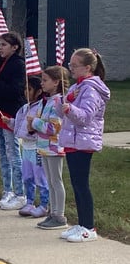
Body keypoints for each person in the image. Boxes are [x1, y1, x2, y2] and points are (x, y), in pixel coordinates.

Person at [57, 49, 110, 243]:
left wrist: (70, 108)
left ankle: (89, 227)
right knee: (76, 184)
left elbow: (86, 117)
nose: (70, 68)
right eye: (70, 65)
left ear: (87, 68)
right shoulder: (75, 88)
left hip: (83, 141)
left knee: (82, 185)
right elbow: (63, 112)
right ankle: (81, 224)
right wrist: (63, 102)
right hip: (73, 141)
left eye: (74, 65)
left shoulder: (92, 89)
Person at [0, 32, 27, 210]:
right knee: (2, 154)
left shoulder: (18, 65)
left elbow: (15, 91)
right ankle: (7, 190)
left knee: (13, 154)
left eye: (3, 45)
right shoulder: (0, 63)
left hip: (9, 114)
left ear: (15, 47)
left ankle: (20, 193)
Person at [29, 66, 69, 229]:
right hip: (44, 146)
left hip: (54, 147)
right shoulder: (46, 101)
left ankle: (59, 215)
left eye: (45, 80)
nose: (42, 83)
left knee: (56, 180)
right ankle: (53, 212)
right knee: (50, 181)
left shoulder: (59, 101)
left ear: (56, 82)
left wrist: (35, 122)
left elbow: (54, 127)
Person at [3, 75, 49, 217]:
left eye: (29, 89)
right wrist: (9, 122)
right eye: (25, 89)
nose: (25, 92)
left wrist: (33, 124)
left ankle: (44, 204)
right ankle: (29, 202)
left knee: (40, 177)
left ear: (39, 91)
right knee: (27, 176)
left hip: (37, 147)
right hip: (26, 147)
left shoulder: (42, 107)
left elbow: (41, 126)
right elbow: (19, 123)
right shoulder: (24, 108)